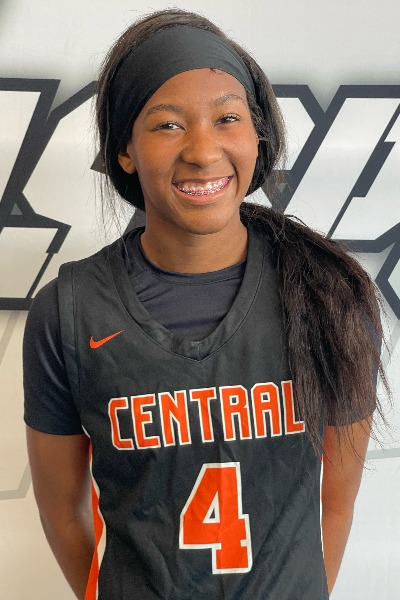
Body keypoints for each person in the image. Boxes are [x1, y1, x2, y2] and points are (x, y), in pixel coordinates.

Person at [23, 8, 388, 600]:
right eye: (168, 125)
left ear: (257, 135)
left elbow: (337, 503)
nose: (202, 149)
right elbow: (63, 512)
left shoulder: (330, 294)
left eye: (227, 118)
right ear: (125, 150)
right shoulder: (68, 312)